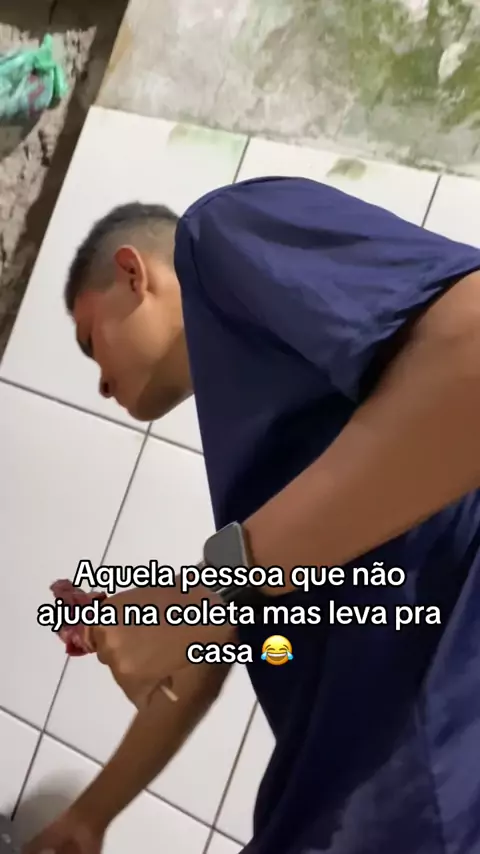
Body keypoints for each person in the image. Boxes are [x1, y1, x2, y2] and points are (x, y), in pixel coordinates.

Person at [25, 176, 480, 854]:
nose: (99, 382)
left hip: (429, 789)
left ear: (132, 274)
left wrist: (215, 590)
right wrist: (87, 817)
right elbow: (216, 647)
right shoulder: (266, 432)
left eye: (92, 339)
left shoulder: (219, 232)